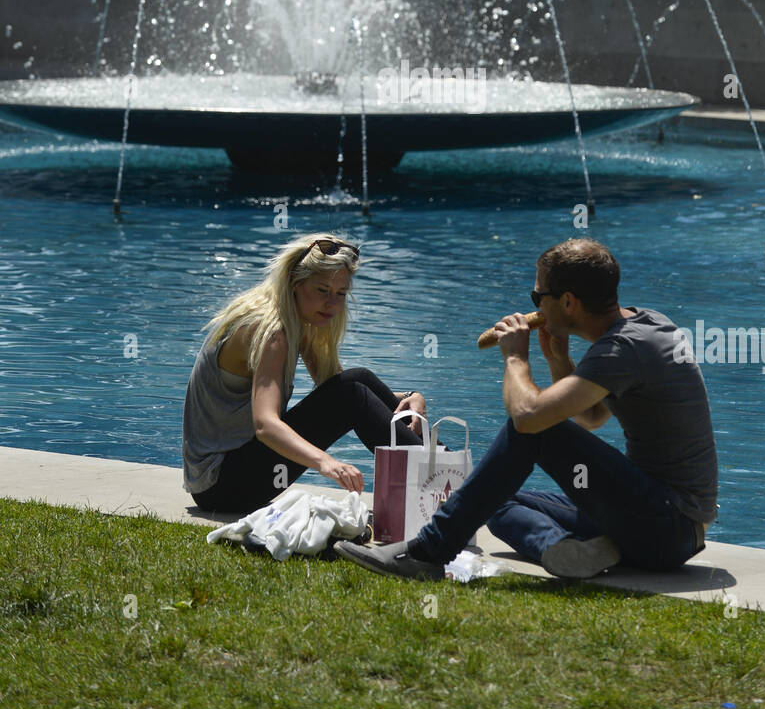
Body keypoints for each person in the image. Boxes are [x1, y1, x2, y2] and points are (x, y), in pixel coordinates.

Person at [335, 237, 718, 580]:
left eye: (538, 298)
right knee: (493, 501)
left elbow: (528, 418)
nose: (533, 306)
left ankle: (426, 553)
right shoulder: (644, 325)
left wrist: (516, 359)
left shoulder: (623, 348)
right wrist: (557, 360)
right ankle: (569, 551)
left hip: (667, 526)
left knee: (530, 430)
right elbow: (594, 417)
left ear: (568, 301)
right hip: (659, 525)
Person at [182, 233, 425, 514]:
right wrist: (326, 462)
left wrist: (409, 399)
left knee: (358, 378)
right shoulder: (272, 331)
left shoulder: (293, 317)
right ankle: (443, 483)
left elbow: (341, 390)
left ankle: (444, 473)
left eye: (341, 294)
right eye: (322, 290)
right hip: (223, 487)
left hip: (231, 476)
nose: (332, 303)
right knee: (351, 391)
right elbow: (265, 425)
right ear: (296, 283)